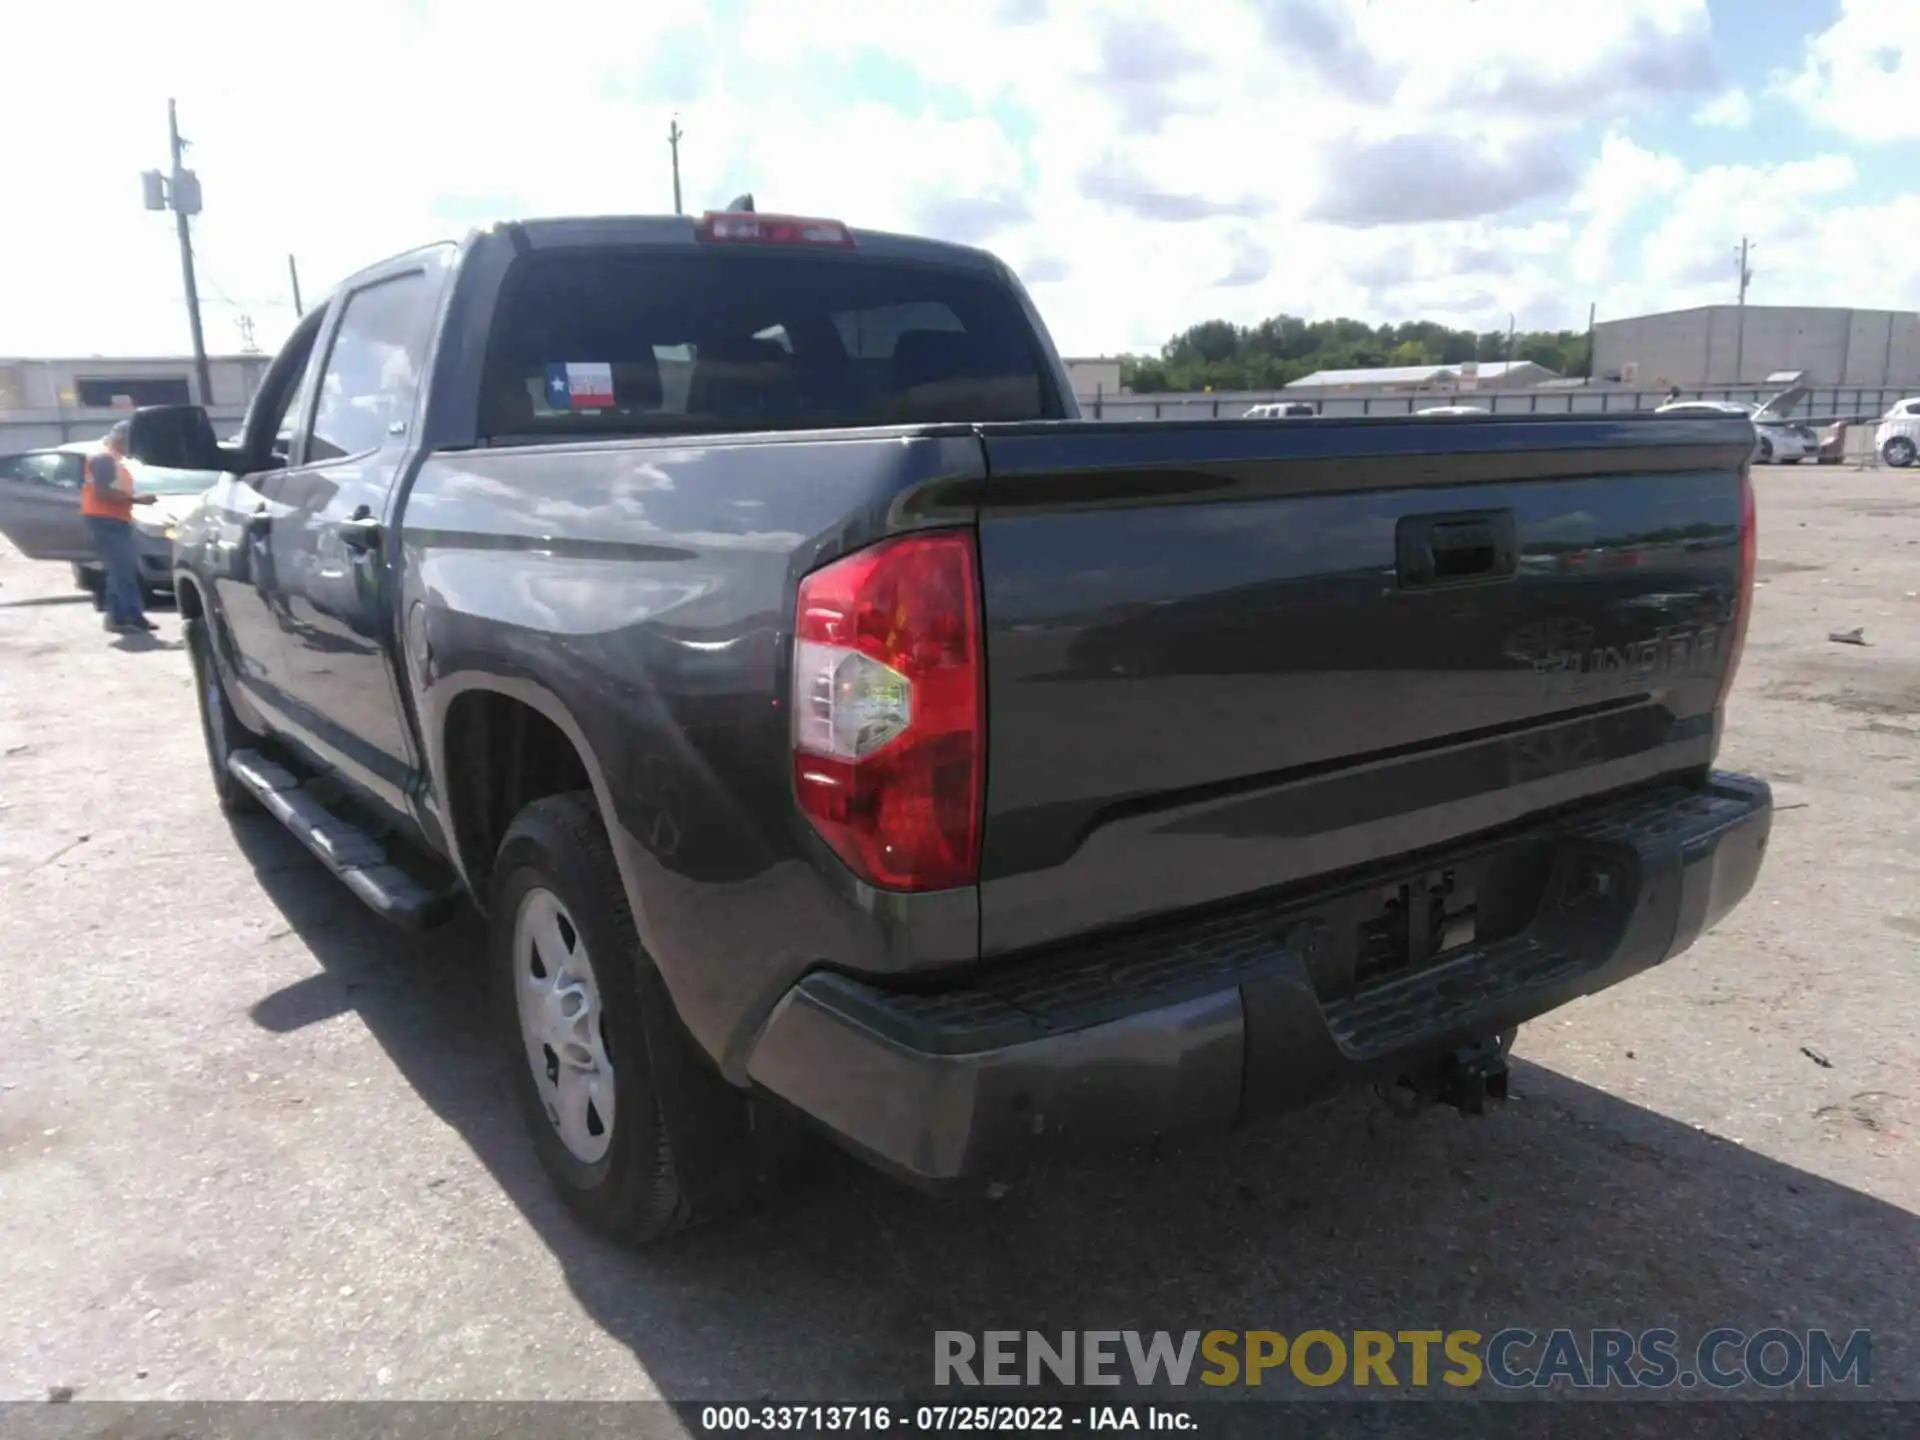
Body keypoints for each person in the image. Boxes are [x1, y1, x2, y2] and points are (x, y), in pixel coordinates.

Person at [80, 421, 158, 635]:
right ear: (123, 440)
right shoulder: (104, 458)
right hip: (106, 519)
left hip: (112, 518)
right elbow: (102, 493)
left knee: (121, 570)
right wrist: (137, 499)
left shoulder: (110, 457)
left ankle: (125, 616)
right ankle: (124, 617)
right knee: (122, 571)